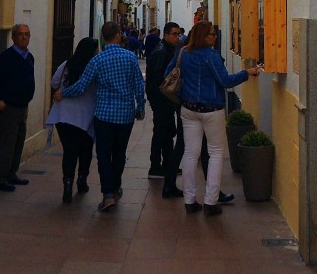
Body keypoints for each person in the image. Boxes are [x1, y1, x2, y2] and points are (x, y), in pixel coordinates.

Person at [168, 20, 261, 216]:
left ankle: (189, 200)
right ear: (204, 36)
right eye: (212, 34)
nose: (215, 36)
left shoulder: (183, 52)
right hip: (211, 110)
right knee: (216, 153)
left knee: (190, 153)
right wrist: (247, 73)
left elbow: (169, 73)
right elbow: (226, 81)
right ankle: (210, 201)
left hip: (188, 108)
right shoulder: (211, 56)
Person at [57, 21, 146, 212]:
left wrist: (63, 93)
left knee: (104, 155)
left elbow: (81, 86)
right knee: (119, 153)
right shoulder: (130, 57)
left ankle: (108, 195)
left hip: (104, 115)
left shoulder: (97, 60)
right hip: (125, 115)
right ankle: (116, 186)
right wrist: (141, 106)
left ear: (104, 37)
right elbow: (139, 84)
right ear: (118, 35)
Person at [45, 37, 99, 203]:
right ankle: (81, 181)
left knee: (69, 151)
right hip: (86, 116)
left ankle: (67, 185)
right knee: (85, 150)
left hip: (64, 115)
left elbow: (54, 82)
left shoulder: (66, 65)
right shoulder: (94, 67)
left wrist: (62, 92)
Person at [0, 24, 35, 191]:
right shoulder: (5, 58)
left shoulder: (29, 57)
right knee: (7, 144)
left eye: (26, 34)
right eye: (20, 34)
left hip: (22, 107)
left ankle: (11, 174)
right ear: (13, 37)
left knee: (18, 142)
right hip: (9, 108)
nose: (24, 37)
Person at [145, 22, 184, 197]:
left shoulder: (167, 50)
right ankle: (156, 166)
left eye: (178, 34)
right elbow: (161, 78)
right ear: (166, 35)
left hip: (163, 99)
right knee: (162, 131)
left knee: (167, 131)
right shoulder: (163, 52)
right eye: (174, 34)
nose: (177, 37)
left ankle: (167, 165)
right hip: (162, 99)